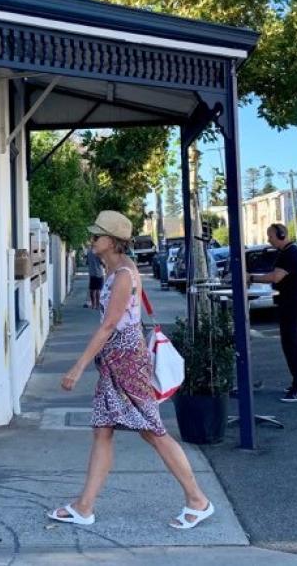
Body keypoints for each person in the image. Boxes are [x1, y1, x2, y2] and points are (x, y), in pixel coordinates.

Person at [49, 210, 214, 530]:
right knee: (103, 430)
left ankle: (198, 499)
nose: (92, 240)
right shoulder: (115, 269)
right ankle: (85, 506)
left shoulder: (123, 274)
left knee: (153, 432)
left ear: (111, 241)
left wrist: (78, 367)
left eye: (96, 236)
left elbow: (110, 325)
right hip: (116, 361)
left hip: (126, 361)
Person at [249, 223, 297, 402]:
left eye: (271, 236)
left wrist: (250, 277)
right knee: (295, 345)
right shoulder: (290, 252)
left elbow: (276, 276)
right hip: (291, 303)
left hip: (291, 304)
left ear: (281, 235)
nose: (269, 239)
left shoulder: (290, 253)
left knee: (292, 346)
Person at [85, 245, 104, 309]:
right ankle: (97, 305)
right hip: (99, 273)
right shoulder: (99, 253)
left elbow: (87, 262)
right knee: (98, 290)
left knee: (92, 290)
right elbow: (102, 262)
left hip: (92, 273)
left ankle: (93, 305)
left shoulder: (89, 252)